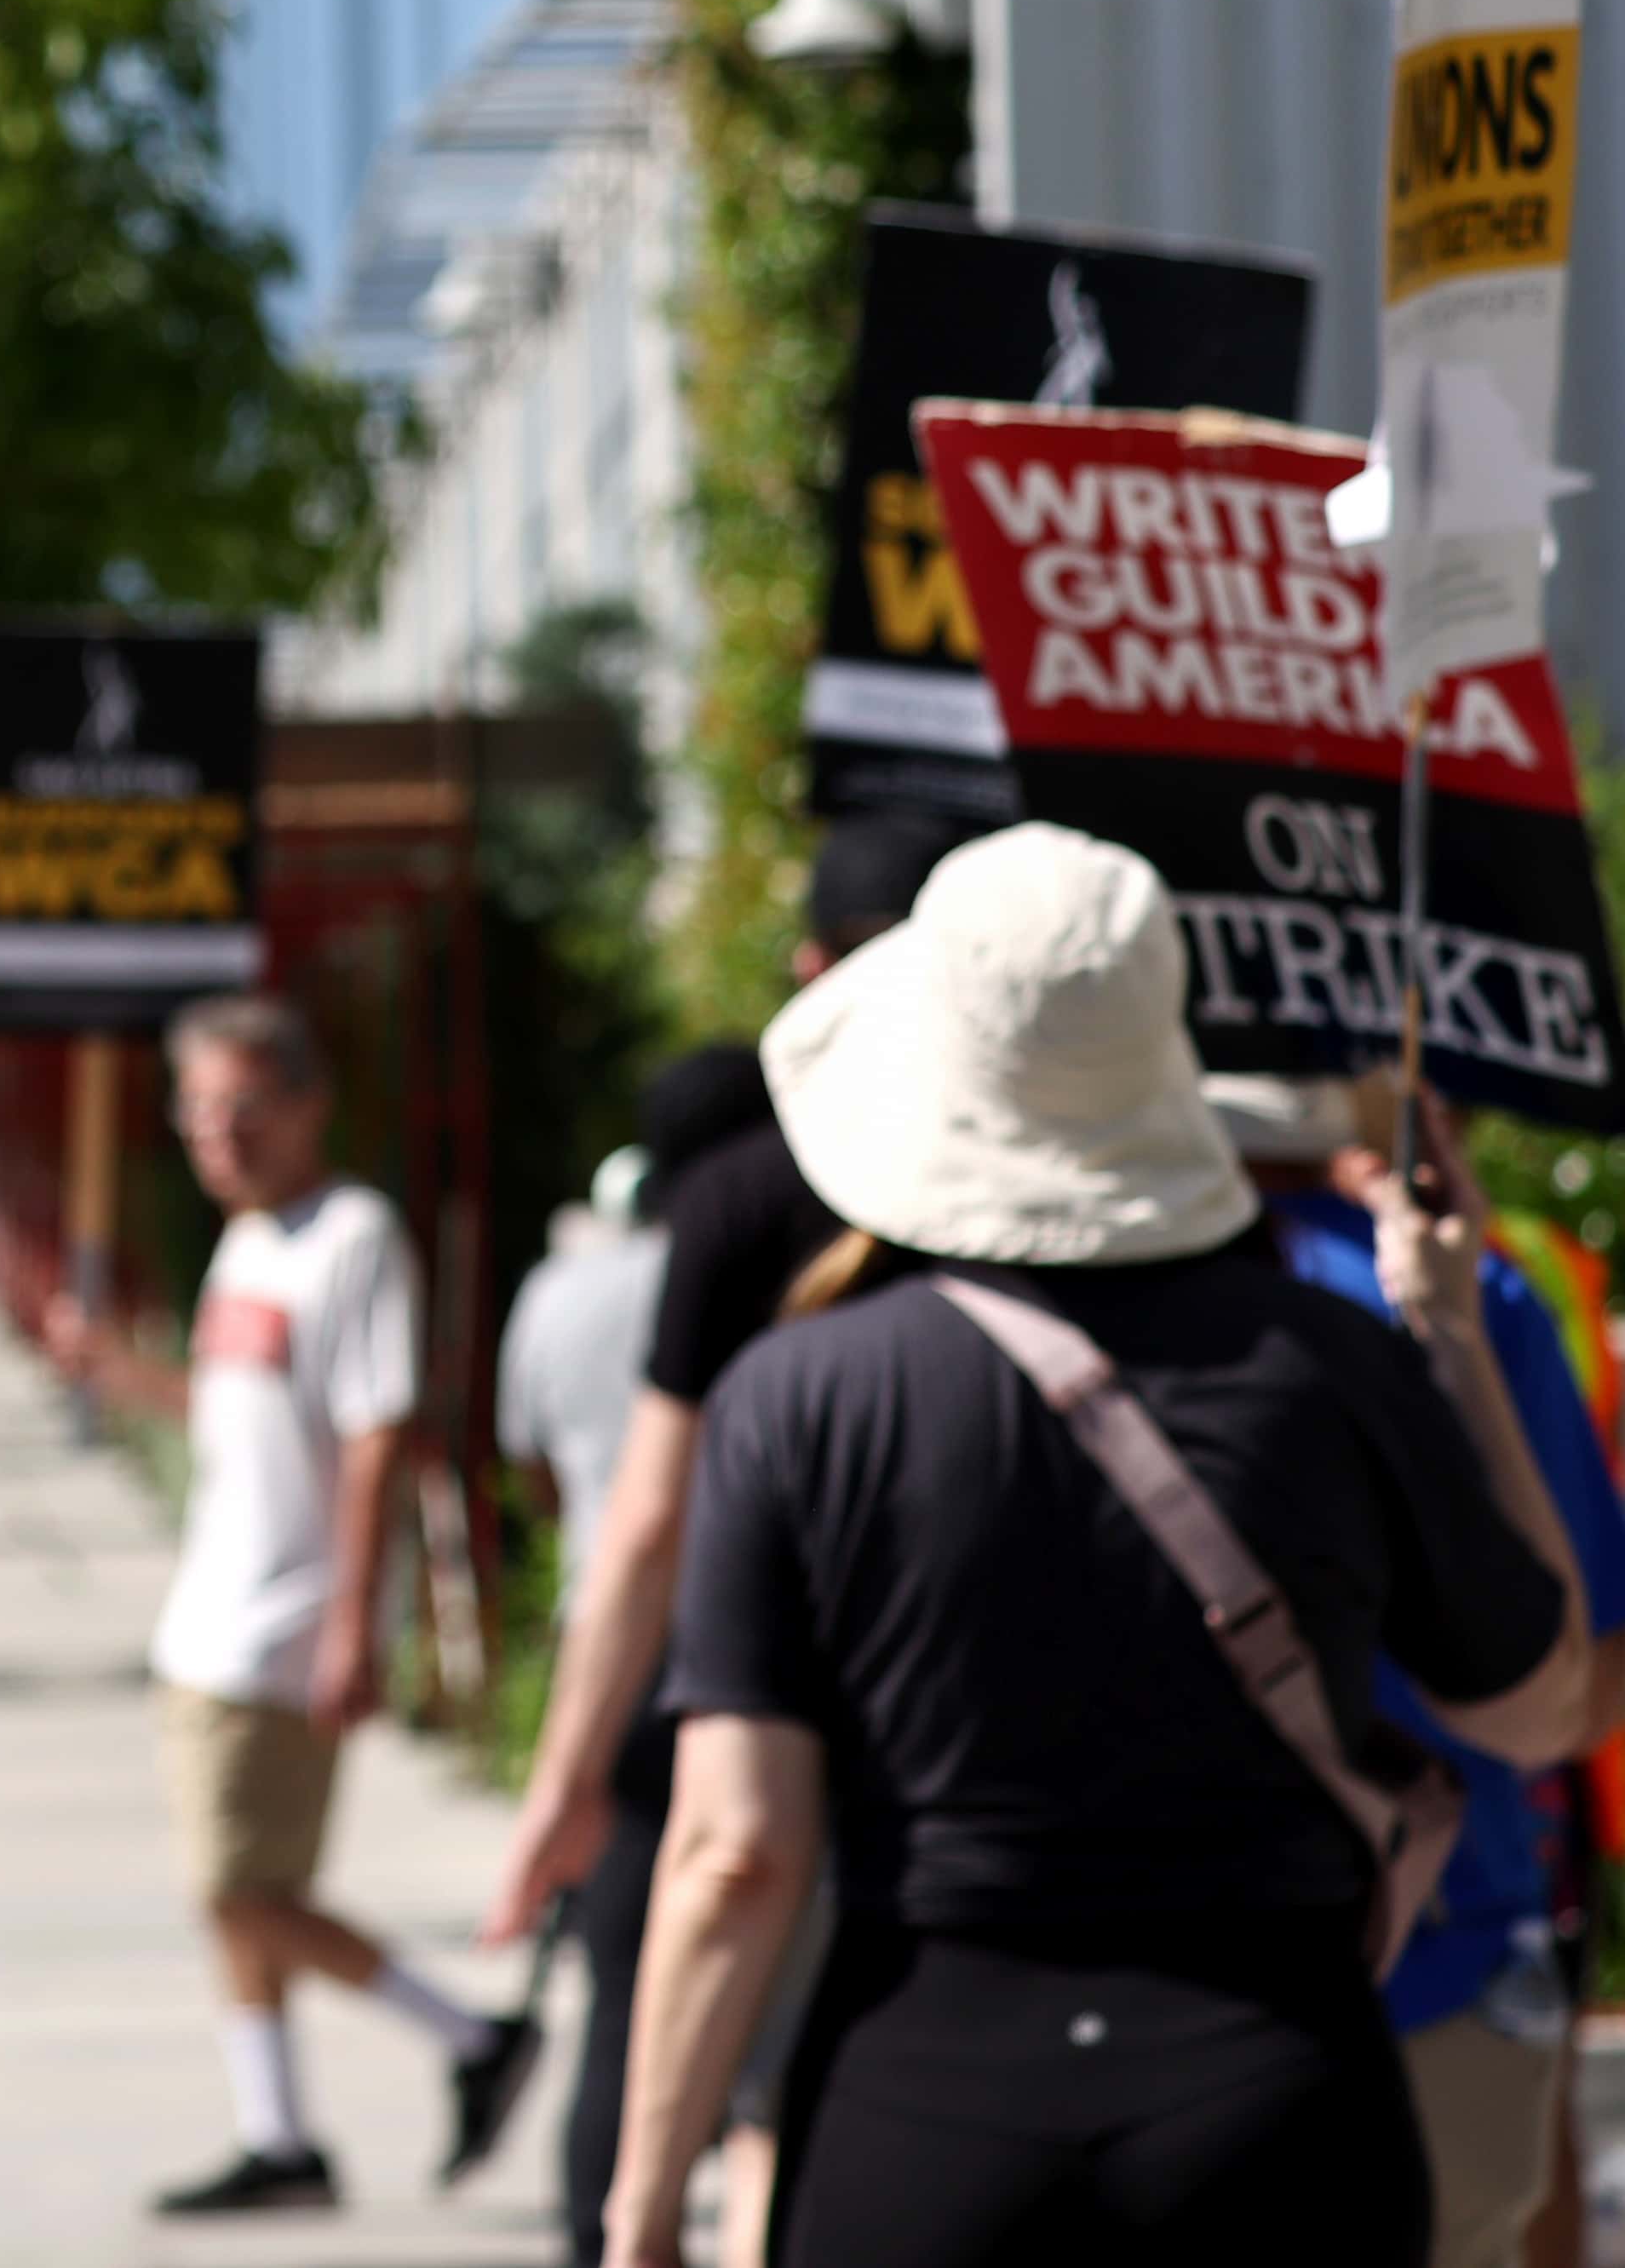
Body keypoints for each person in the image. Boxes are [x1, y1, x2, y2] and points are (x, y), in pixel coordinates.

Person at [608, 824, 1588, 2268]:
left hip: (919, 2102)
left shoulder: (796, 1391)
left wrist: (639, 2209)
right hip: (1274, 2098)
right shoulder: (1327, 1362)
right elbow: (1538, 1700)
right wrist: (1451, 1332)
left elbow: (736, 1850)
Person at [486, 810, 970, 2266]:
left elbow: (642, 1517)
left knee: (719, 2060)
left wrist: (562, 1774)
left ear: (810, 968)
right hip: (979, 1723)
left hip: (751, 1702)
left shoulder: (743, 1192)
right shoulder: (1085, 1172)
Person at [60, 992, 537, 2214]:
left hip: (281, 1622)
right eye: (198, 1111)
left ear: (306, 1104)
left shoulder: (350, 1237)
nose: (217, 1135)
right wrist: (115, 1374)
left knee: (240, 1889)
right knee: (234, 1891)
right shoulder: (247, 1242)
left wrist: (351, 1624)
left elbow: (377, 1433)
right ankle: (278, 2134)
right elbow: (234, 1420)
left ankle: (468, 2036)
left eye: (242, 1109)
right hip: (207, 1617)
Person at [1229, 1071, 1625, 2268]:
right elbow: (1576, 1689)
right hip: (1441, 1955)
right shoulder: (1493, 1277)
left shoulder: (948, 1318)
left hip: (1114, 1999)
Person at [499, 1143, 664, 1571]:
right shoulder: (693, 1272)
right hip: (692, 1585)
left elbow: (525, 1452)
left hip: (593, 1577)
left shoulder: (548, 1288)